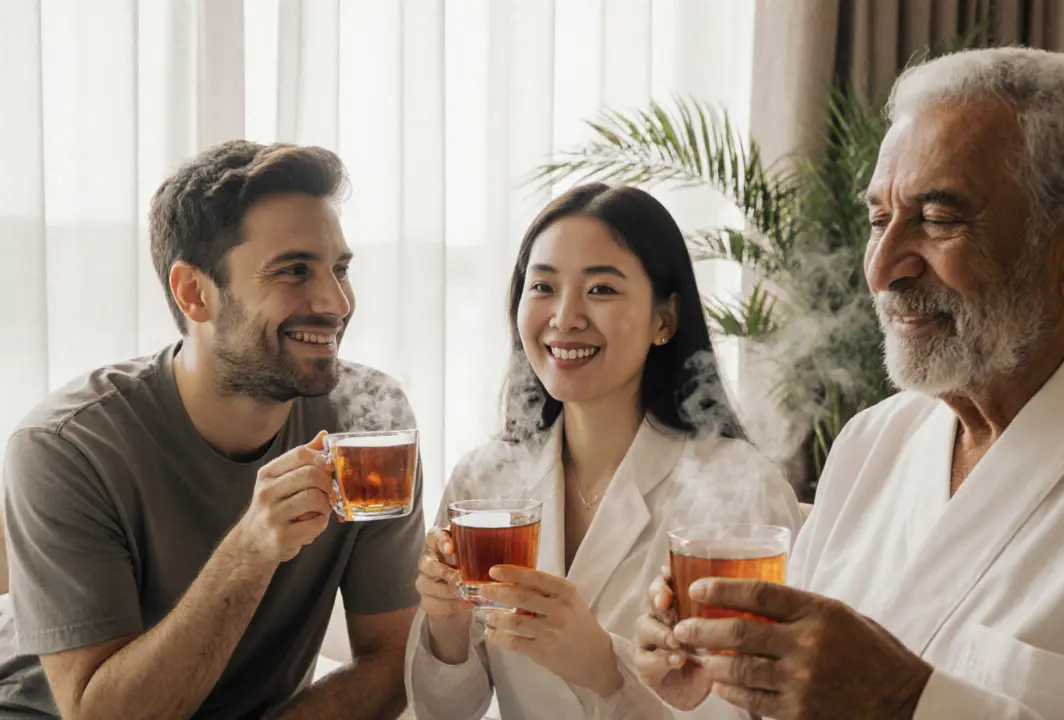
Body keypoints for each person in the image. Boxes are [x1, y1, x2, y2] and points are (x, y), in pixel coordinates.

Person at [632, 47, 1064, 719]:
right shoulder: (871, 445)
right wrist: (712, 688)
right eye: (879, 219)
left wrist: (908, 703)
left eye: (938, 219)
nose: (883, 269)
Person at [0, 140, 424, 719]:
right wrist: (252, 548)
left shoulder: (371, 423)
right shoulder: (69, 447)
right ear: (194, 293)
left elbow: (394, 657)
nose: (336, 301)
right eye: (295, 270)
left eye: (340, 269)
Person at [405, 183, 804, 720]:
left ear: (664, 319)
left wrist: (604, 668)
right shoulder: (485, 480)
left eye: (601, 290)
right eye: (543, 285)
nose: (565, 317)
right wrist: (446, 628)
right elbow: (442, 712)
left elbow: (763, 711)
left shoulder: (740, 488)